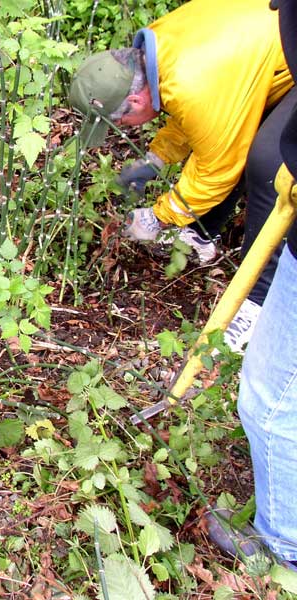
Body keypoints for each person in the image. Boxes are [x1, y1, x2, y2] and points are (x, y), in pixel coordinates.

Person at [68, 0, 296, 353]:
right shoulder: (159, 45)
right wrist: (156, 158)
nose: (121, 130)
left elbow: (217, 169)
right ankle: (202, 236)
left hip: (291, 49)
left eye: (120, 122)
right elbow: (193, 111)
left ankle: (257, 301)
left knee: (268, 164)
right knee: (236, 134)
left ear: (135, 98)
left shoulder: (194, 85)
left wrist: (159, 217)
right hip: (265, 46)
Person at [208, 0, 297, 569]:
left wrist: (167, 214)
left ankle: (284, 550)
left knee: (269, 400)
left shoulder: (196, 84)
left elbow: (216, 166)